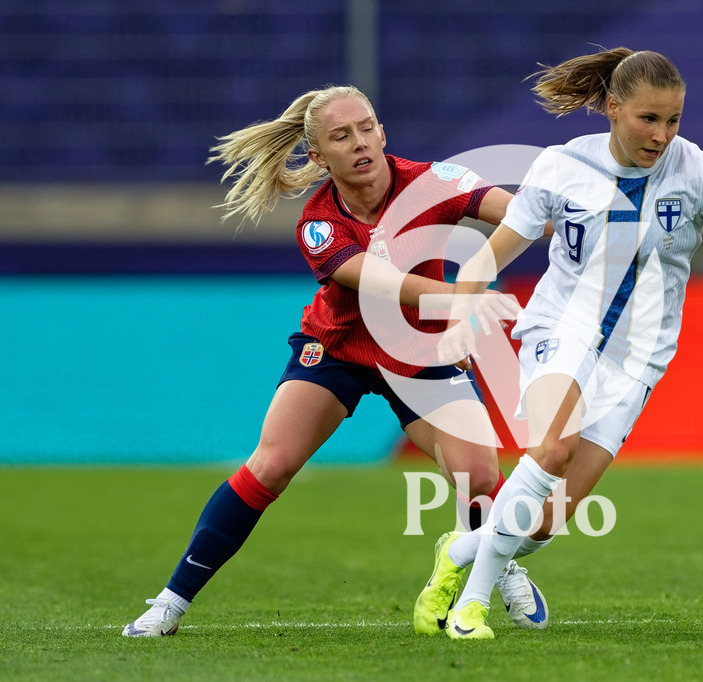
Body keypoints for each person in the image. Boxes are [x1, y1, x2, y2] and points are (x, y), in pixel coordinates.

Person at [122, 85, 548, 637]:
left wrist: (581, 224)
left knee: (482, 476)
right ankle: (169, 602)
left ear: (383, 132)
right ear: (319, 158)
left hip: (418, 352)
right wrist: (465, 300)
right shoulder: (318, 223)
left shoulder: (435, 182)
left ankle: (494, 565)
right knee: (270, 466)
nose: (360, 143)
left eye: (367, 127)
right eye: (341, 137)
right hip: (337, 351)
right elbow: (386, 285)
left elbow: (524, 216)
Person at [414, 48, 703, 639]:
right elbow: (494, 251)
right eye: (647, 119)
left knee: (540, 526)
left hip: (638, 360)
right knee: (553, 448)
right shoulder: (561, 167)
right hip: (560, 330)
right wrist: (460, 315)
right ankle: (471, 607)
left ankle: (463, 552)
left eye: (673, 120)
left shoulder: (701, 174)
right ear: (612, 109)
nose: (662, 135)